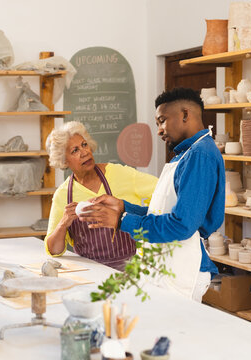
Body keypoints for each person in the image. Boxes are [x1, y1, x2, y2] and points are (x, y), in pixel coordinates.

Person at [80, 87, 224, 302]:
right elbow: (164, 213)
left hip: (182, 268)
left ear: (185, 115)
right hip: (167, 263)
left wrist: (121, 221)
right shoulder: (185, 154)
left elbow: (182, 225)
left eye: (162, 120)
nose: (159, 130)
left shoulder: (200, 154)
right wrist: (123, 207)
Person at [44, 121, 157, 270]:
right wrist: (63, 223)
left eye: (84, 145)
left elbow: (163, 191)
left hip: (131, 269)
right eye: (75, 150)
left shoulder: (119, 173)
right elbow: (54, 250)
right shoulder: (63, 195)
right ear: (64, 161)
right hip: (90, 272)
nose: (84, 152)